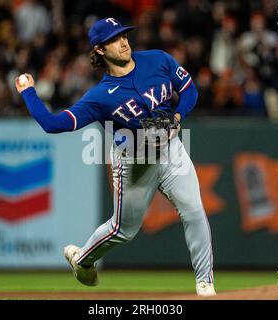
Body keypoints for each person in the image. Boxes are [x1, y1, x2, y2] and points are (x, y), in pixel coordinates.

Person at [15, 17, 216, 297]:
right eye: (114, 39)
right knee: (123, 230)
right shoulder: (99, 98)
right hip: (133, 161)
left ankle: (205, 285)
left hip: (171, 152)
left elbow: (189, 91)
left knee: (194, 210)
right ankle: (82, 259)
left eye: (124, 35)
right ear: (99, 50)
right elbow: (53, 124)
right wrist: (29, 94)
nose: (123, 42)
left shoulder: (157, 60)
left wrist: (178, 116)